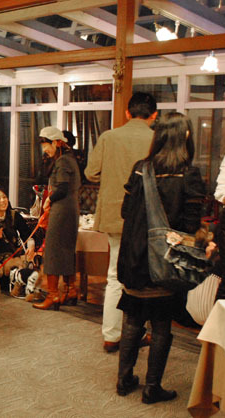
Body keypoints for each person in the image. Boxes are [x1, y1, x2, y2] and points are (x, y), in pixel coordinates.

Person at [115, 112, 205, 404]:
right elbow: (190, 224)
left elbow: (125, 212)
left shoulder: (141, 169)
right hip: (163, 260)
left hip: (133, 257)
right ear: (185, 136)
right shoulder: (188, 174)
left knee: (132, 319)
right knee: (161, 324)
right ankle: (152, 387)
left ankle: (124, 380)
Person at [85, 92, 158, 353]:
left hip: (115, 215)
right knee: (144, 278)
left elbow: (91, 173)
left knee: (115, 276)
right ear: (154, 115)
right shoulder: (156, 139)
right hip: (146, 217)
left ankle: (112, 335)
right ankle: (139, 332)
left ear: (127, 113)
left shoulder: (108, 137)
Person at [33, 127, 81, 311]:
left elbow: (61, 188)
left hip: (61, 210)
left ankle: (52, 294)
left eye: (46, 145)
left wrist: (49, 200)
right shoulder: (70, 159)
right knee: (67, 250)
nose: (45, 150)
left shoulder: (62, 162)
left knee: (52, 250)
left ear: (55, 142)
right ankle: (70, 290)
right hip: (70, 209)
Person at [0, 187, 32, 293]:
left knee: (23, 269)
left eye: (4, 197)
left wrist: (31, 246)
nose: (3, 200)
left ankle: (17, 277)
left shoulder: (14, 216)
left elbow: (28, 235)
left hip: (12, 256)